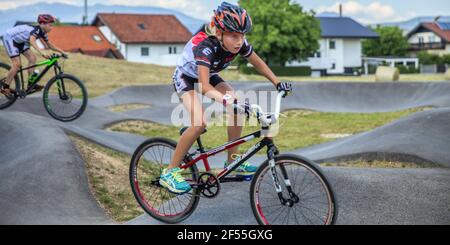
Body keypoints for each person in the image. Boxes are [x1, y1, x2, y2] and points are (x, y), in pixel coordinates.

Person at [159, 2, 292, 194]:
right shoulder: (206, 47)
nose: (240, 41)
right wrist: (226, 100)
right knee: (199, 123)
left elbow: (258, 62)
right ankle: (170, 172)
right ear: (219, 33)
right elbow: (204, 87)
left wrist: (277, 82)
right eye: (234, 36)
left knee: (237, 106)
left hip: (208, 73)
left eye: (243, 35)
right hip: (186, 77)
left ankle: (232, 161)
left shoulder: (239, 44)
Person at [0, 14, 67, 97]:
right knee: (17, 65)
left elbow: (50, 45)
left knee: (32, 58)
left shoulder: (43, 32)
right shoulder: (35, 30)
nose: (51, 27)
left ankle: (30, 84)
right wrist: (42, 53)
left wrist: (63, 52)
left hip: (20, 42)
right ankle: (5, 87)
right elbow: (32, 41)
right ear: (42, 24)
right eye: (50, 25)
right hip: (10, 38)